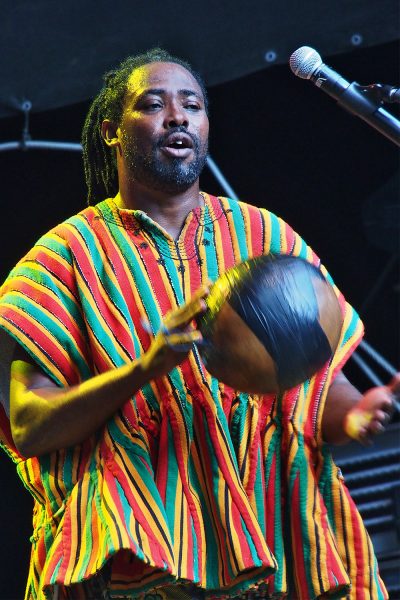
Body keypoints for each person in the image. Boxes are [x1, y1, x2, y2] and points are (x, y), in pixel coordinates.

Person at [0, 48, 397, 600]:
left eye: (192, 105)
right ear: (113, 131)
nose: (178, 116)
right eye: (153, 105)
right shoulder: (63, 257)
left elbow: (314, 385)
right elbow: (29, 426)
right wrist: (143, 369)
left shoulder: (267, 238)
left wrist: (355, 415)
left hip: (277, 538)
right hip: (134, 557)